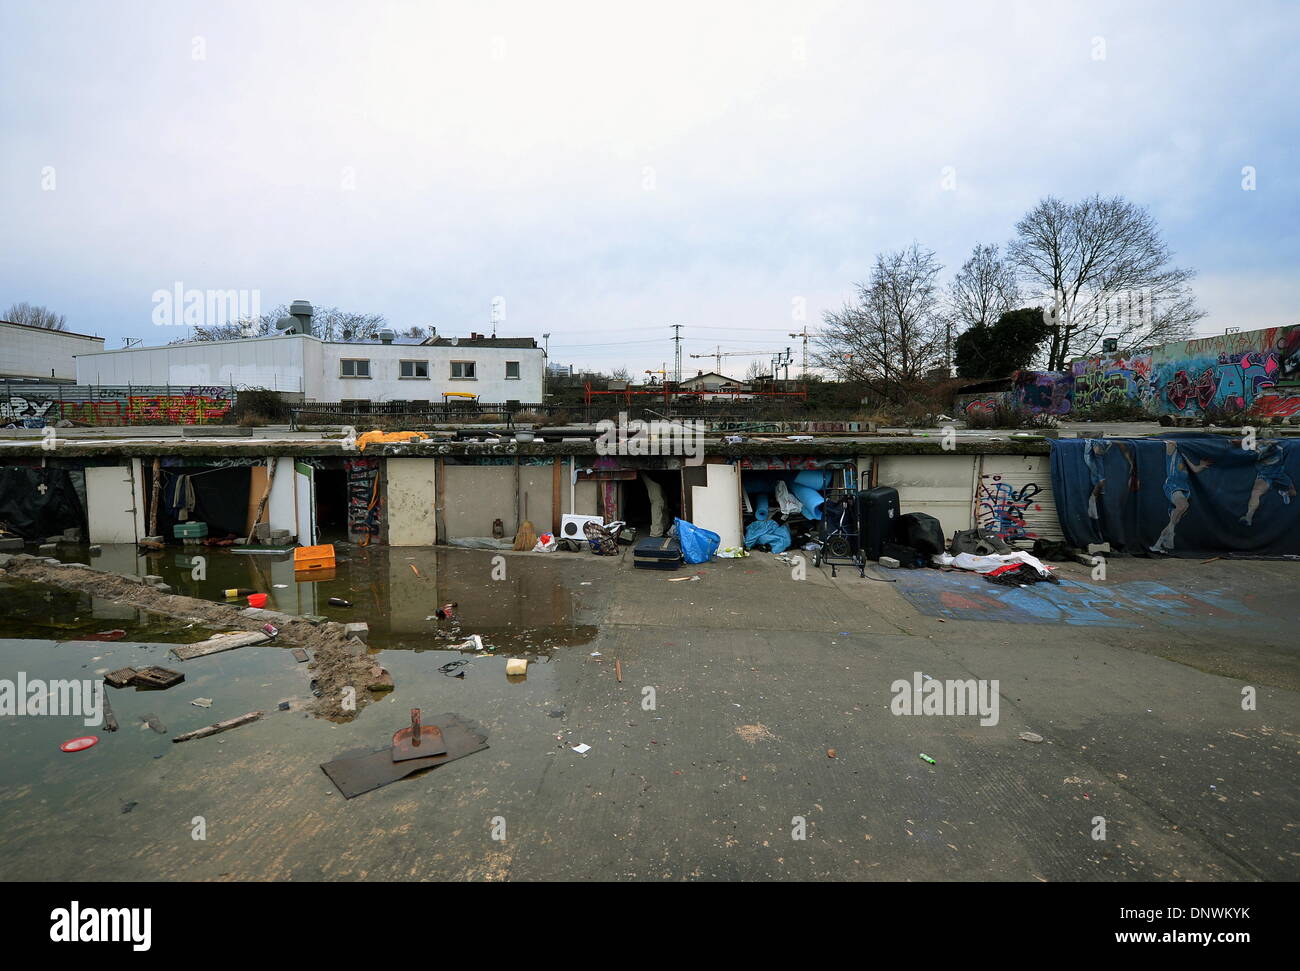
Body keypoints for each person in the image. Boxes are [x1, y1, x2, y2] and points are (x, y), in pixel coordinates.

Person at [1151, 441, 1211, 553]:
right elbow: (1170, 442)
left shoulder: (1184, 455)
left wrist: (1201, 466)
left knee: (1175, 519)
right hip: (1173, 484)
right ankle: (1170, 533)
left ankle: (1158, 544)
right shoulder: (1173, 451)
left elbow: (1195, 469)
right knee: (1183, 505)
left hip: (1184, 487)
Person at [1241, 440, 1296, 525]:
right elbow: (1241, 443)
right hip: (1265, 476)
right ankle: (1248, 517)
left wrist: (1268, 443)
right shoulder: (1255, 447)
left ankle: (1283, 492)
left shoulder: (1277, 446)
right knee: (1255, 493)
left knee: (1293, 493)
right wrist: (1231, 441)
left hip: (1279, 474)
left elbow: (1274, 442)